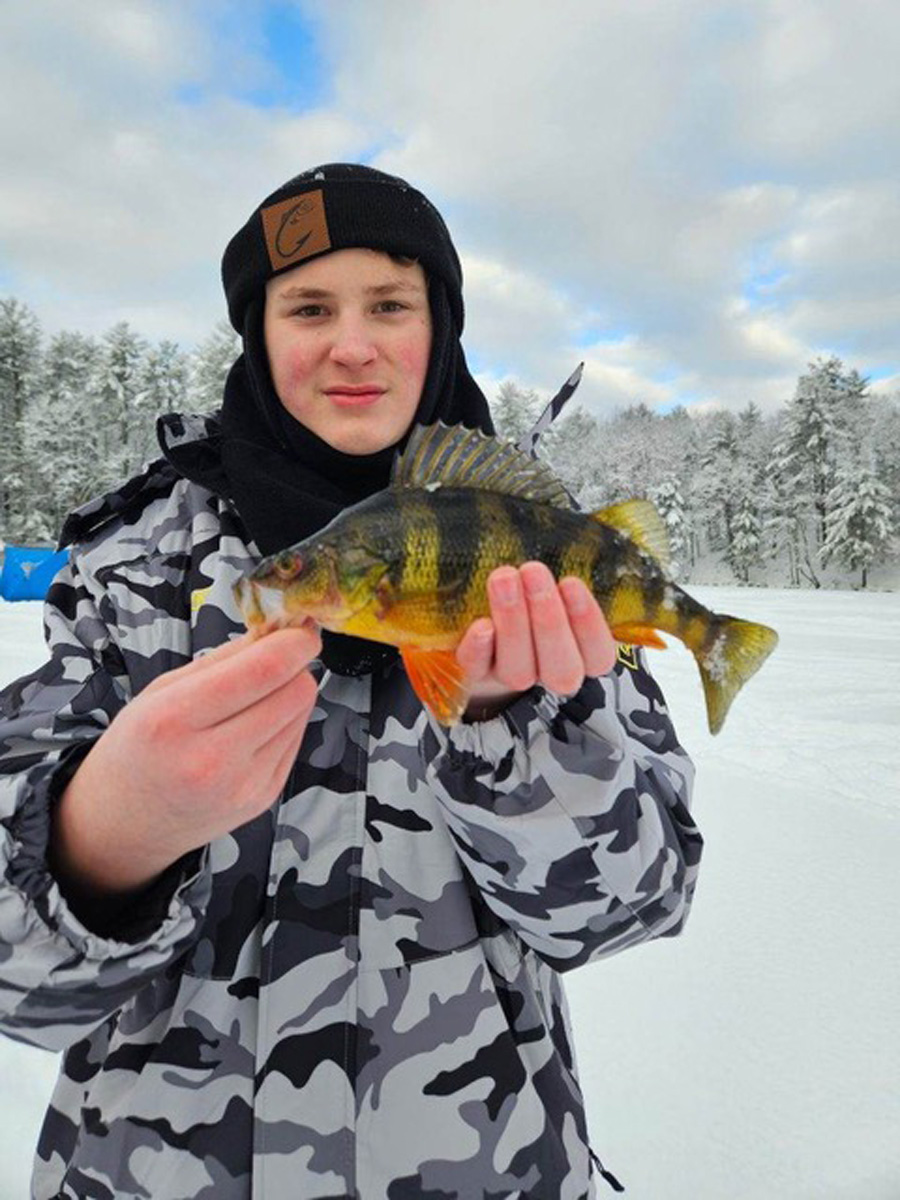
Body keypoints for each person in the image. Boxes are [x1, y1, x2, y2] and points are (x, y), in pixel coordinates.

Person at [0, 164, 702, 1199]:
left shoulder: (540, 566)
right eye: (309, 308)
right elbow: (18, 990)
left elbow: (629, 911)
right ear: (257, 331)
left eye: (391, 304)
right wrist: (105, 833)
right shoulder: (129, 573)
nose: (353, 345)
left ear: (441, 326)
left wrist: (514, 731)